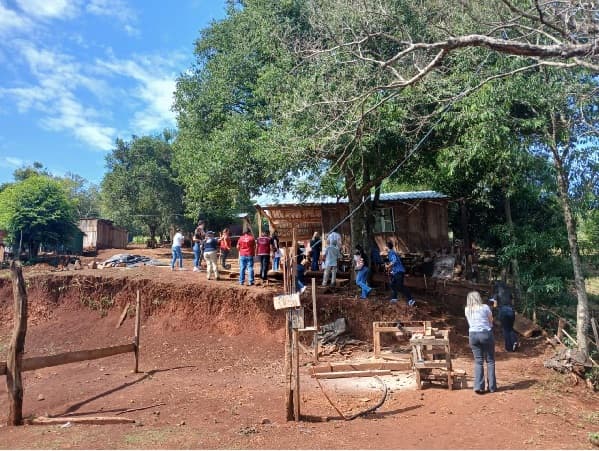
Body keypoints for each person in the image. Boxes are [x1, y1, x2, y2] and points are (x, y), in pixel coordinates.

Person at [465, 291, 497, 394]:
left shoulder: (467, 309)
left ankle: (478, 386)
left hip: (473, 335)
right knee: (490, 361)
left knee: (478, 361)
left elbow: (470, 323)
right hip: (485, 333)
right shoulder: (485, 307)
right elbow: (491, 321)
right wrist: (489, 328)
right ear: (478, 298)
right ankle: (492, 387)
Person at [490, 281, 519, 352]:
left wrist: (494, 309)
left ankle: (509, 348)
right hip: (511, 311)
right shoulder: (508, 292)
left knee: (505, 330)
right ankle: (514, 340)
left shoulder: (496, 293)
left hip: (503, 312)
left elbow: (495, 305)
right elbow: (512, 302)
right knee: (510, 328)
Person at [386, 241, 415, 306]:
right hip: (396, 271)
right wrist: (392, 270)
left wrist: (388, 266)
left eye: (386, 247)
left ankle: (411, 300)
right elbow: (394, 263)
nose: (385, 248)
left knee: (400, 286)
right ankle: (394, 298)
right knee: (392, 284)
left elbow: (394, 261)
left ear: (387, 247)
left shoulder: (391, 252)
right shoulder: (391, 252)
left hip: (399, 271)